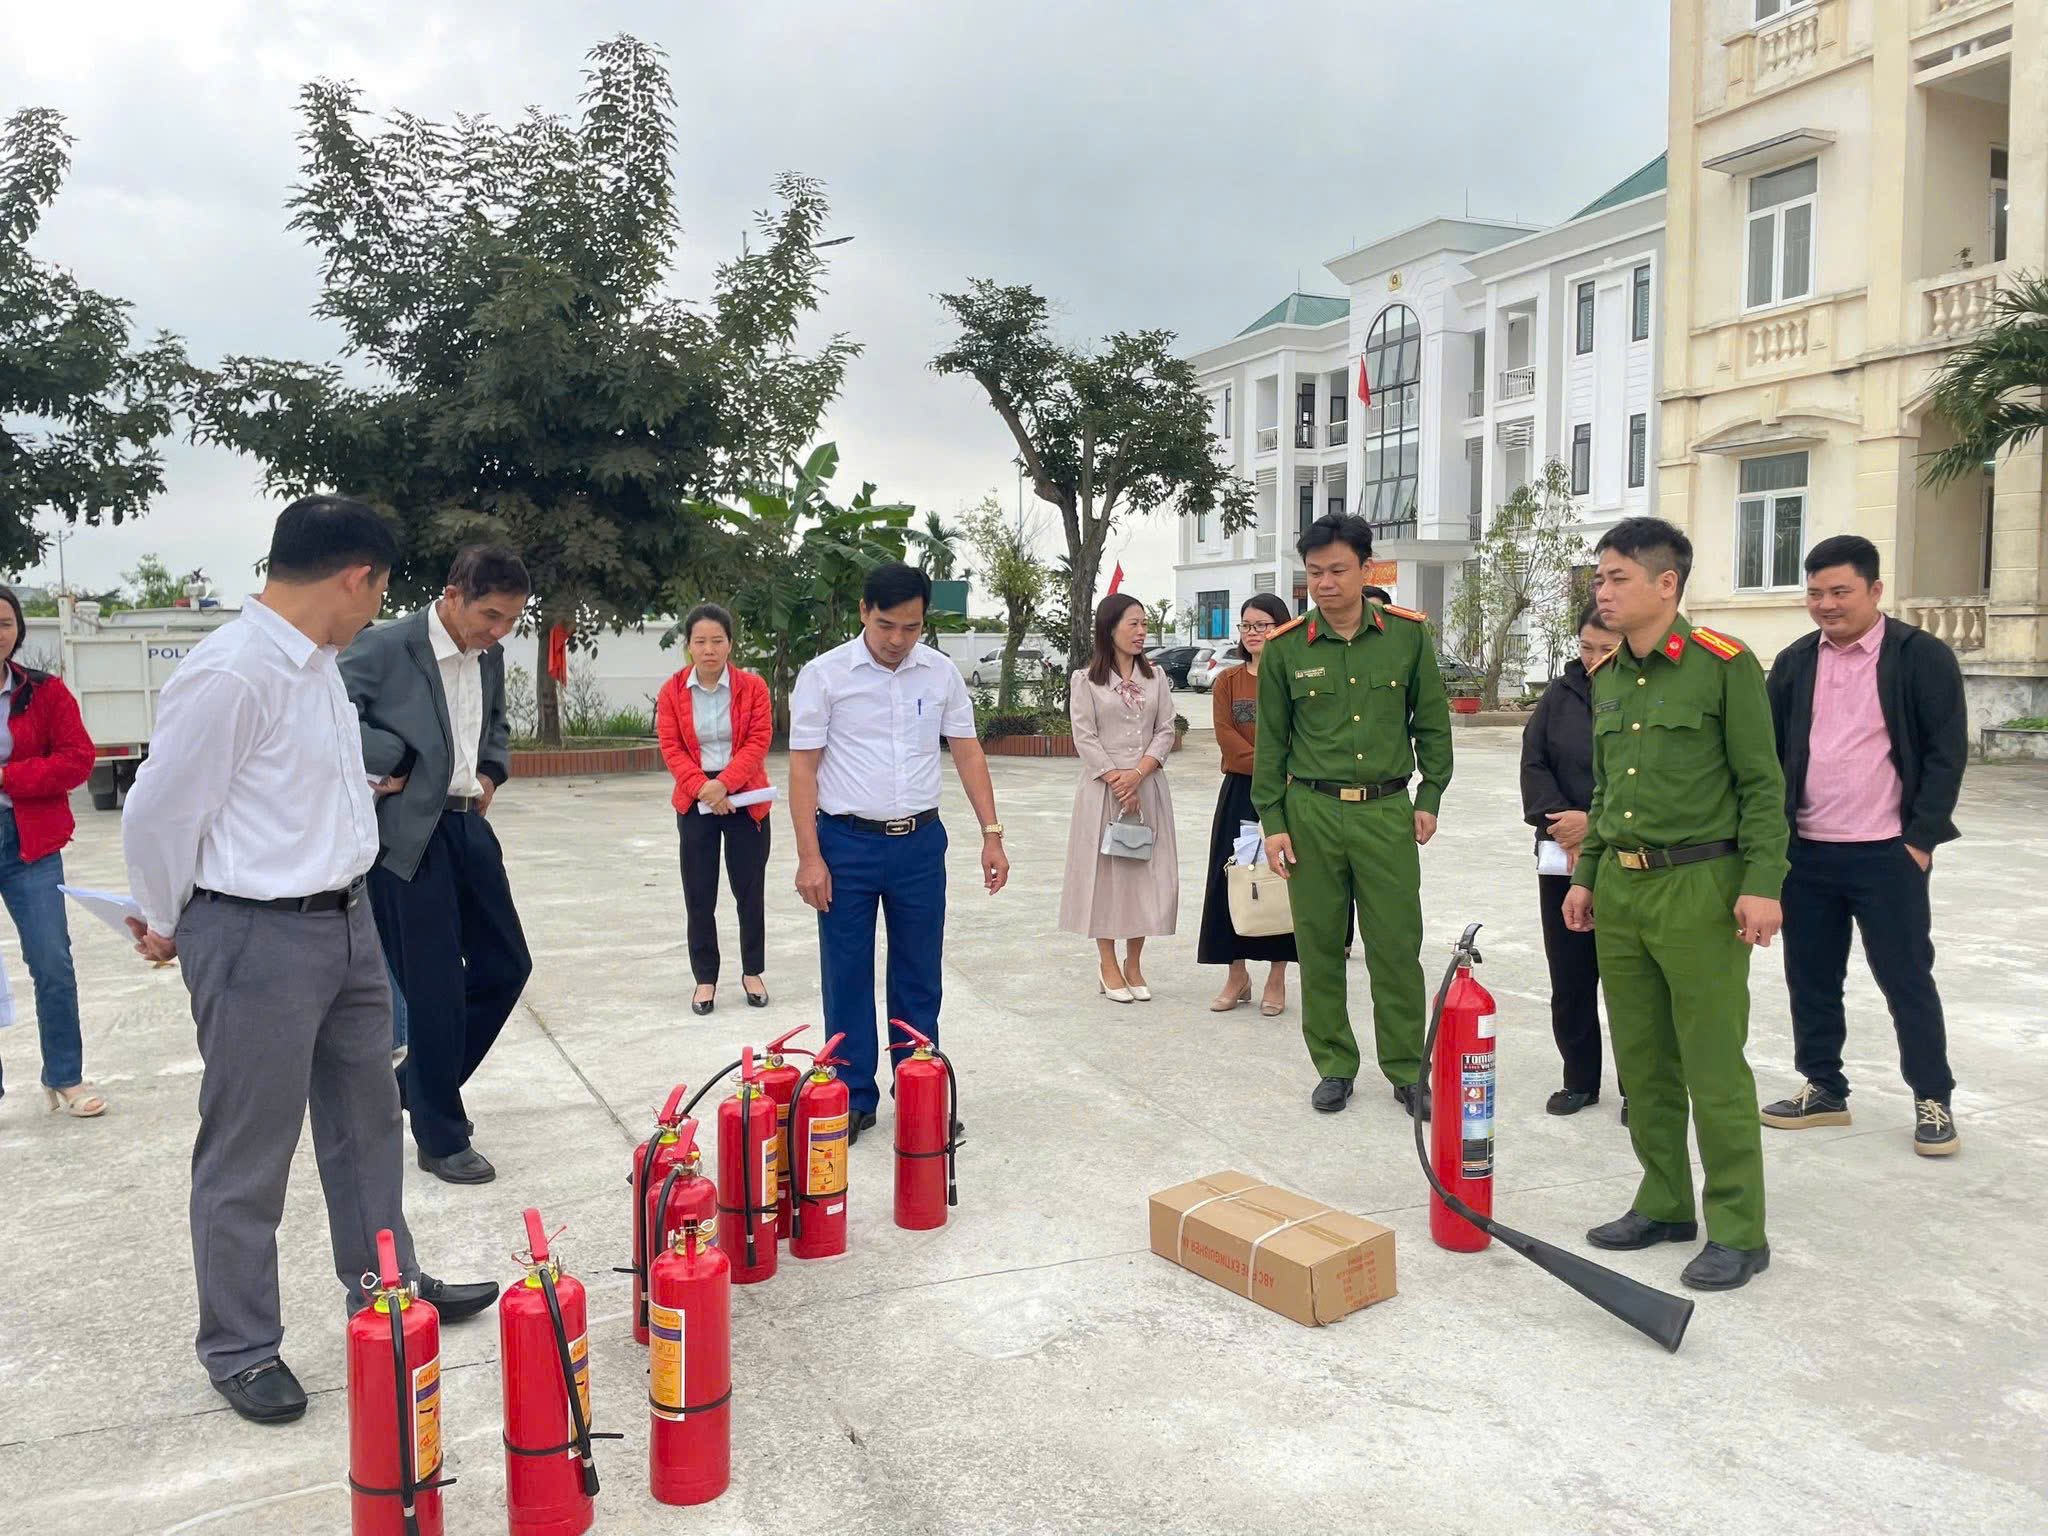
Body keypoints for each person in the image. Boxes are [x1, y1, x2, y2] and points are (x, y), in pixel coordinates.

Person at [122, 496, 496, 1425]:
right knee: (250, 1146)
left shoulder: (319, 665)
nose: (378, 609)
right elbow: (158, 813)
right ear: (354, 576)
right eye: (379, 591)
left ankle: (388, 1286)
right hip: (254, 934)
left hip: (347, 921)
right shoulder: (233, 673)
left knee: (367, 1121)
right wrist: (165, 919)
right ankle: (242, 1346)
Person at [1563, 516, 1787, 1292]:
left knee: (1712, 1063)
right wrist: (1588, 873)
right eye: (1600, 577)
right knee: (1643, 1062)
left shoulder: (1724, 666)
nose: (1603, 589)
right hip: (1622, 887)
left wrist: (1764, 883)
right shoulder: (1611, 675)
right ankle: (1663, 1202)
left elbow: (1763, 785)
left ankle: (1738, 1229)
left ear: (1667, 584)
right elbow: (1605, 788)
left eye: (1617, 577)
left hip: (1701, 888)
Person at [1761, 534, 1968, 1156]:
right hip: (1809, 853)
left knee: (1906, 977)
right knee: (1811, 977)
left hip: (1888, 854)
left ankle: (1933, 1097)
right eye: (1816, 592)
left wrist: (1922, 838)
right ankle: (1824, 1087)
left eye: (1840, 592)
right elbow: (1768, 759)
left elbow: (1945, 751)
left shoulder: (1920, 656)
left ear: (1875, 590)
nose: (1826, 604)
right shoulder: (1796, 662)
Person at [788, 563, 1009, 1145]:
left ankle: (918, 1089)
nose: (897, 639)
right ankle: (851, 1096)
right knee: (846, 973)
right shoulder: (825, 675)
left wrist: (992, 831)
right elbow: (803, 769)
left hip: (918, 844)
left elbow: (967, 752)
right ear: (863, 612)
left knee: (918, 971)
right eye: (886, 624)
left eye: (911, 627)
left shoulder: (938, 674)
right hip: (844, 845)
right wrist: (809, 857)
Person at [342, 544, 534, 1185]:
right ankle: (440, 1135)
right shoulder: (384, 647)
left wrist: (488, 772)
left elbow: (496, 723)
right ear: (452, 596)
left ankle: (414, 1084)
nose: (498, 630)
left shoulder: (491, 655)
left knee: (508, 966)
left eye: (510, 619)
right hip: (406, 836)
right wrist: (387, 757)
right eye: (490, 615)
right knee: (434, 990)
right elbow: (324, 713)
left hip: (465, 823)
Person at [1253, 513, 1452, 1117]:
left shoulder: (1407, 636)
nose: (1326, 583)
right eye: (1314, 573)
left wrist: (1430, 796)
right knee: (1318, 944)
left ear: (1367, 569)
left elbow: (1433, 724)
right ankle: (1335, 1064)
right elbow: (1271, 744)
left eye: (1338, 570)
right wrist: (1273, 820)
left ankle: (1404, 1069)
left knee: (1396, 945)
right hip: (1311, 812)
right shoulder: (1287, 648)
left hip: (1388, 811)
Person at [0, 585, 101, 1116]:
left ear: (18, 630)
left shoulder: (44, 692)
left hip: (28, 842)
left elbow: (77, 759)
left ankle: (65, 1076)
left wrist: (7, 776)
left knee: (51, 960)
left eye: (4, 623)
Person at [1519, 599, 1622, 1118]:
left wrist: (1597, 826)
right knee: (1571, 971)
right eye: (1586, 647)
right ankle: (1579, 1077)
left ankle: (1643, 1088)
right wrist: (1564, 822)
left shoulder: (1642, 691)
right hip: (1564, 854)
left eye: (1607, 649)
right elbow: (1534, 761)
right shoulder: (1559, 696)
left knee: (1630, 978)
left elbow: (1648, 777)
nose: (1594, 658)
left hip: (1628, 854)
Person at [1060, 593, 1181, 1000]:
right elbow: (1085, 735)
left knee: (1145, 876)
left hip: (1147, 788)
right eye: (1133, 623)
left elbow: (1166, 729)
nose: (1141, 631)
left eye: (1144, 623)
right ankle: (1108, 964)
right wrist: (1118, 780)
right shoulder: (1086, 681)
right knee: (1106, 879)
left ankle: (1135, 963)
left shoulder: (1157, 678)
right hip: (1102, 791)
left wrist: (1139, 774)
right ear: (1109, 628)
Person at [655, 603, 774, 1015]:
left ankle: (753, 971)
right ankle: (705, 979)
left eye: (717, 641)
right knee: (699, 894)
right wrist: (705, 788)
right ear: (688, 646)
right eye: (700, 641)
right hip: (695, 798)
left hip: (745, 798)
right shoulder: (672, 691)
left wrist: (724, 784)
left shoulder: (753, 688)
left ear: (730, 645)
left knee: (749, 890)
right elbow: (671, 747)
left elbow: (758, 740)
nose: (709, 649)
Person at [1198, 592, 1295, 1014]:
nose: (1253, 633)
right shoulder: (1228, 681)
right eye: (1247, 626)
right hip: (1241, 793)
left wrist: (1289, 769)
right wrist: (1278, 764)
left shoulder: (1297, 678)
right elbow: (1230, 744)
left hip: (1289, 797)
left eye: (1263, 625)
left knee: (1282, 881)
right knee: (1234, 879)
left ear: (1283, 628)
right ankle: (1236, 974)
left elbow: (1306, 739)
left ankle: (1277, 976)